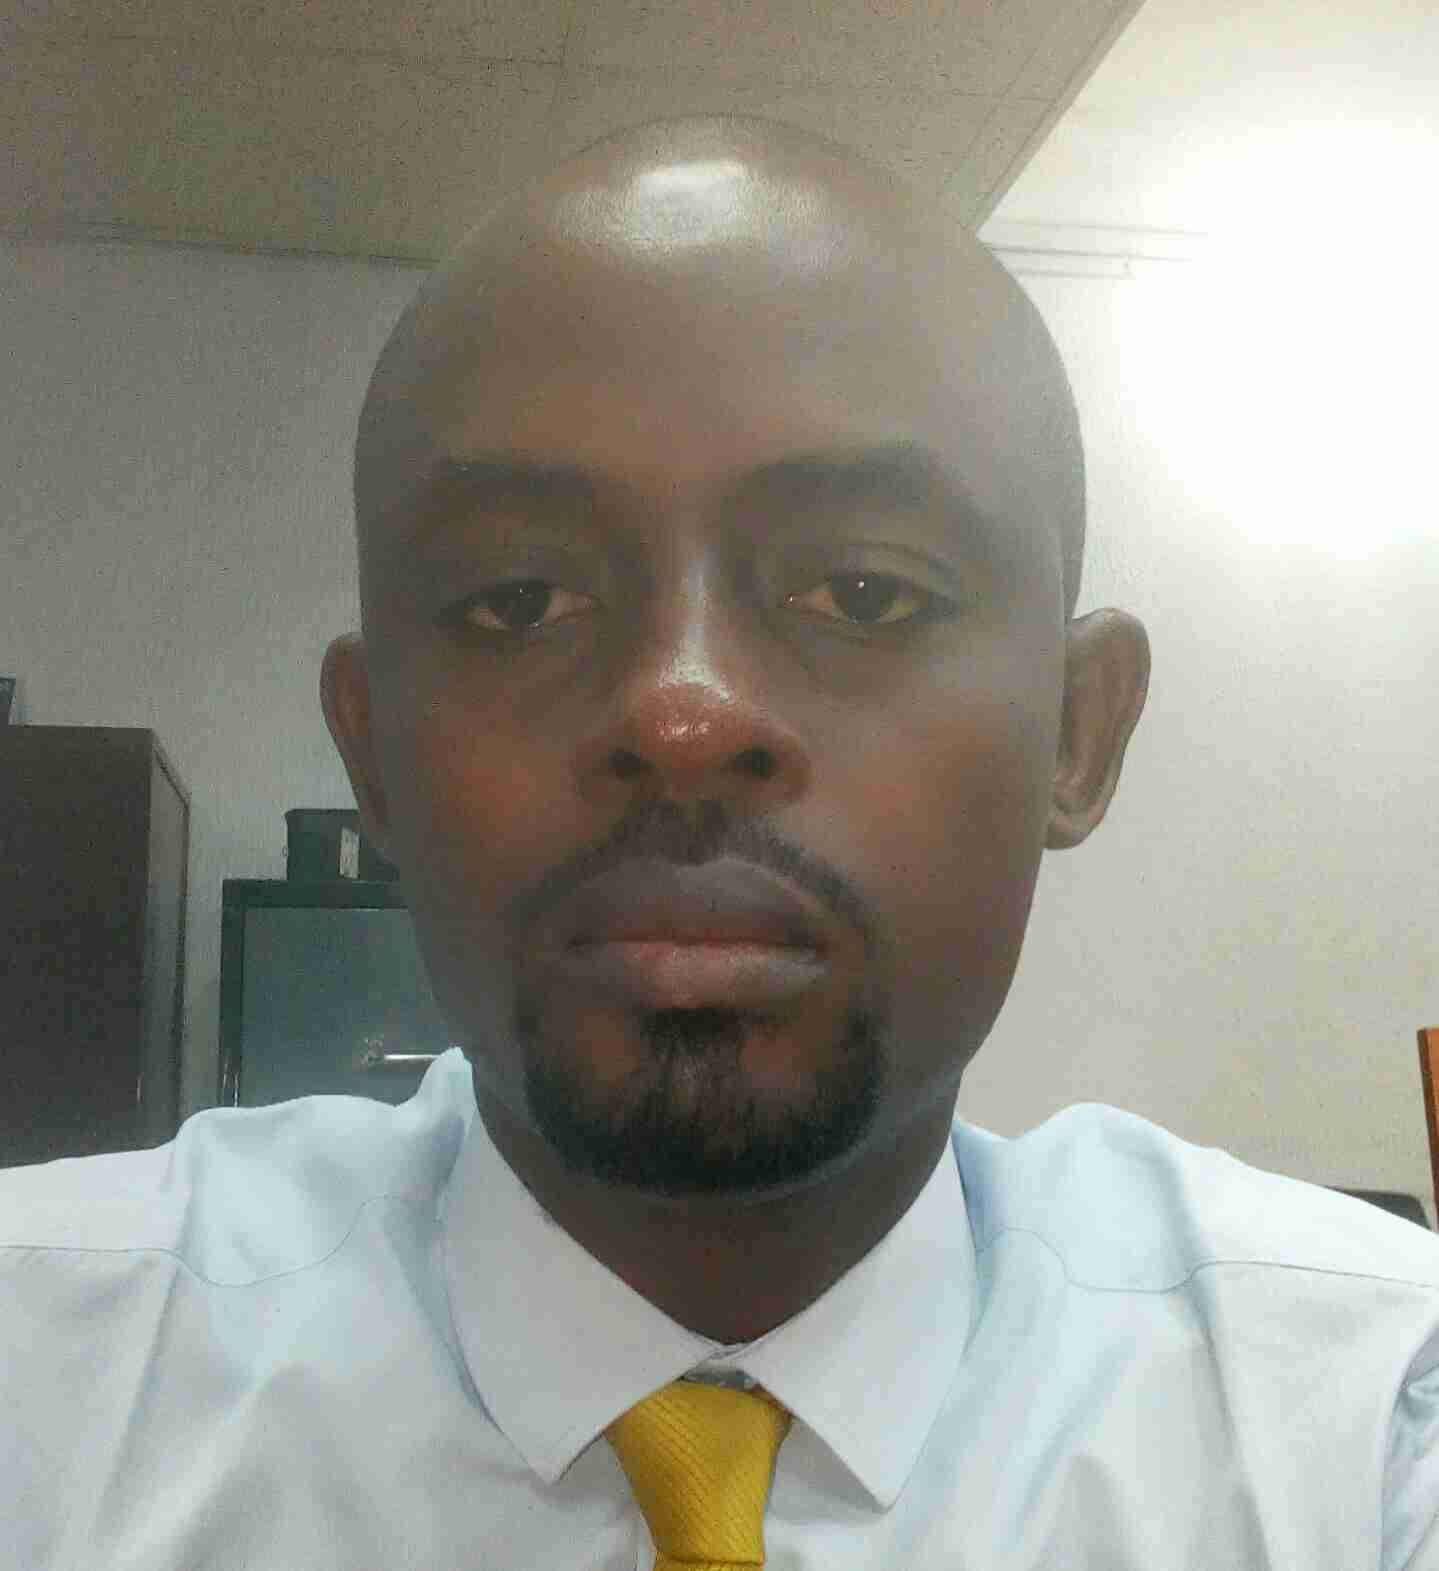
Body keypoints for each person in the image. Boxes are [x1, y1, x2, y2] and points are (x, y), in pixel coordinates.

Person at [2, 114, 1436, 1570]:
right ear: (373, 754)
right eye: (517, 601)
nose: (681, 714)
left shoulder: (1367, 1423)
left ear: (1077, 732)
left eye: (865, 594)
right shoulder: (43, 1384)